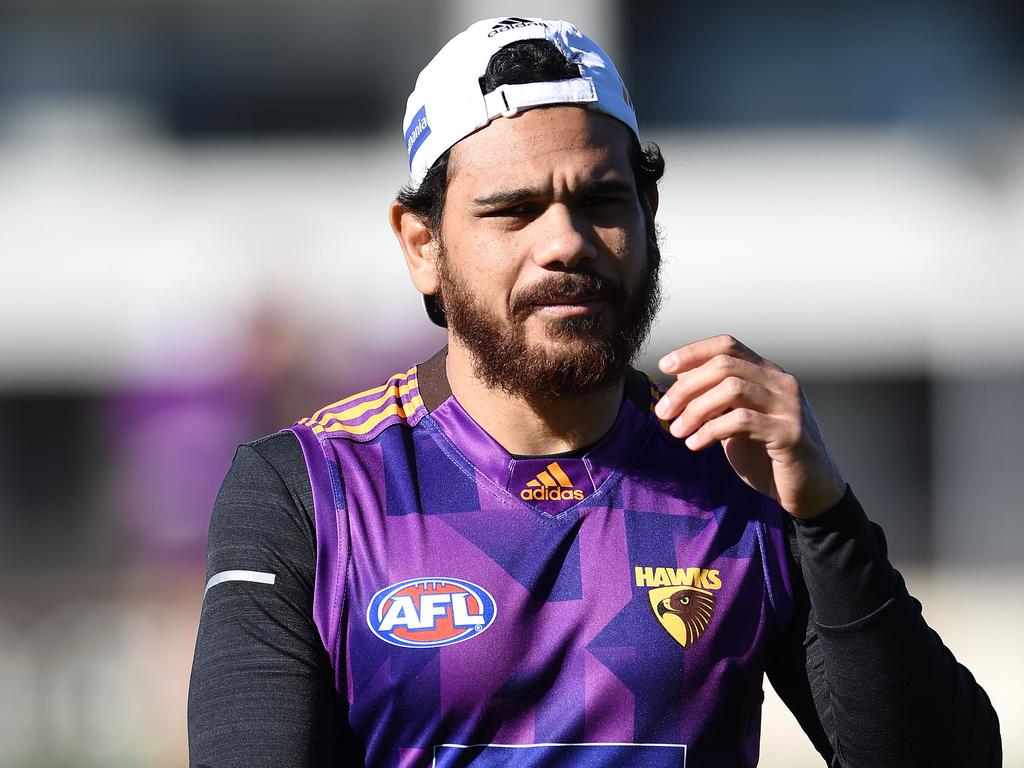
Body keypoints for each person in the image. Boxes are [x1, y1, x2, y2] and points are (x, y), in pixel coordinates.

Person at [187, 16, 1000, 768]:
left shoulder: (738, 472)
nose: (566, 243)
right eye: (513, 211)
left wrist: (825, 517)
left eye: (602, 201)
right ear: (423, 243)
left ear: (649, 211)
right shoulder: (312, 491)